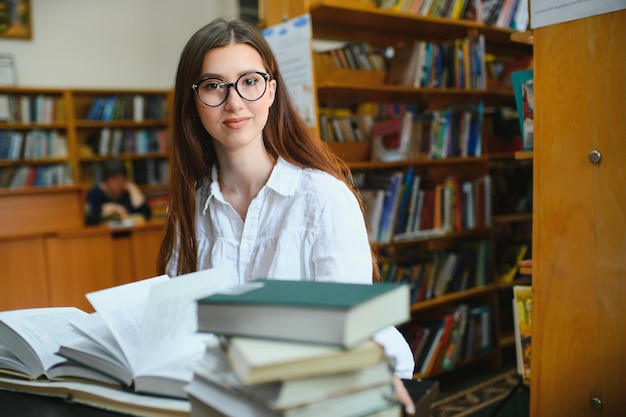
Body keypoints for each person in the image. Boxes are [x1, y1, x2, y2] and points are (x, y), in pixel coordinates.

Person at [157, 18, 416, 414]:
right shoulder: (189, 209)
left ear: (271, 90)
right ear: (193, 101)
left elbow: (345, 336)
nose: (234, 102)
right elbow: (180, 334)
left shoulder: (323, 198)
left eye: (250, 81)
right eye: (213, 86)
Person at [85, 159, 152, 225]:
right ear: (106, 181)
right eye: (115, 180)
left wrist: (133, 189)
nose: (119, 184)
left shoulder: (128, 193)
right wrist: (107, 209)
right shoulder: (94, 194)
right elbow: (88, 217)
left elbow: (146, 215)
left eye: (122, 180)